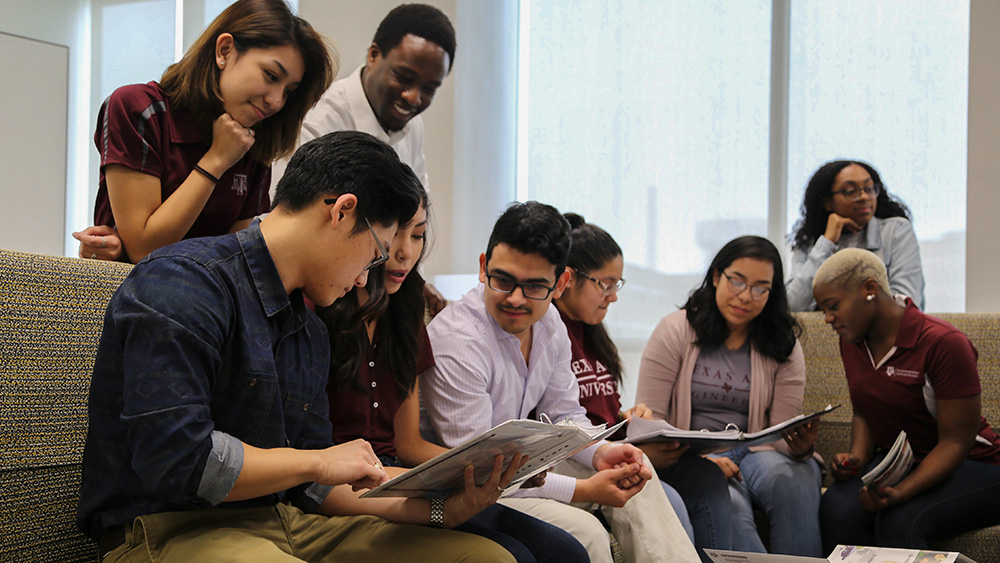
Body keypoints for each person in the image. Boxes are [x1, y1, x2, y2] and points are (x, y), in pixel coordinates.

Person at [76, 131, 520, 563]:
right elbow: (180, 460)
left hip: (282, 521)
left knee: (483, 556)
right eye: (376, 253)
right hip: (165, 528)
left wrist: (443, 509)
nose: (367, 278)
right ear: (343, 212)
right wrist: (316, 463)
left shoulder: (310, 330)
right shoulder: (183, 281)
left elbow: (318, 488)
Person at [421, 201, 700, 563]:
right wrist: (586, 488)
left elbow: (566, 415)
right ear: (482, 267)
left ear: (561, 282)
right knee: (586, 534)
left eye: (535, 285)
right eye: (503, 280)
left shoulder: (550, 323)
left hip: (519, 468)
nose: (516, 298)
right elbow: (480, 470)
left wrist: (602, 453)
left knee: (635, 471)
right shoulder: (458, 341)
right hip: (469, 489)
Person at [318, 191, 588, 563]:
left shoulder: (406, 312)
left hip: (401, 475)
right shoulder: (323, 305)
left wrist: (503, 469)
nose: (405, 253)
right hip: (357, 484)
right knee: (520, 556)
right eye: (395, 233)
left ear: (559, 284)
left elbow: (408, 444)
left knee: (565, 552)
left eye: (418, 236)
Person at [74, 0, 334, 263]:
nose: (276, 101)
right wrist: (216, 161)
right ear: (225, 50)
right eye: (271, 75)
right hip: (129, 297)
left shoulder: (255, 141)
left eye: (288, 91)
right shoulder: (139, 109)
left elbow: (234, 261)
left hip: (207, 300)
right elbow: (146, 252)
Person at [637, 236, 823, 558]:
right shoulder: (674, 331)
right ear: (716, 276)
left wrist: (800, 446)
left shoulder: (783, 343)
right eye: (737, 281)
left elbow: (779, 431)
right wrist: (700, 461)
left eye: (760, 288)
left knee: (794, 478)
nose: (745, 297)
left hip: (757, 451)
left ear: (772, 292)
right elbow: (649, 421)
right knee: (731, 502)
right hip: (692, 455)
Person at [272, 3, 455, 314]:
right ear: (373, 54)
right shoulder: (319, 117)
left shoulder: (413, 127)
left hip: (373, 289)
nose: (413, 97)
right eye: (404, 76)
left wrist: (415, 279)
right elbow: (289, 220)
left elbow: (415, 214)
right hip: (319, 297)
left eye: (429, 88)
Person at [813, 248, 1000, 551]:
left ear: (870, 289)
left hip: (975, 465)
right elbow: (864, 409)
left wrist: (900, 492)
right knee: (837, 508)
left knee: (899, 519)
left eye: (833, 306)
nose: (827, 319)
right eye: (823, 309)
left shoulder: (943, 343)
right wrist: (857, 457)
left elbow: (956, 442)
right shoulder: (852, 340)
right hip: (905, 464)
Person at [552, 213, 696, 543]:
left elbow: (600, 412)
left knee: (705, 482)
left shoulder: (594, 336)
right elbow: (555, 421)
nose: (613, 295)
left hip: (611, 452)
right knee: (670, 499)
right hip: (578, 460)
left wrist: (629, 419)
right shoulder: (549, 330)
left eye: (617, 284)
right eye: (605, 284)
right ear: (568, 278)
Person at [786, 159, 925, 312]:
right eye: (851, 191)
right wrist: (827, 242)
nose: (864, 197)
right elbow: (792, 304)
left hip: (883, 335)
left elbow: (905, 303)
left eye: (869, 189)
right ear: (828, 202)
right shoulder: (810, 239)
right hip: (823, 334)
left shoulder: (895, 230)